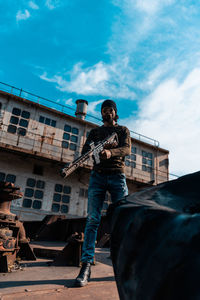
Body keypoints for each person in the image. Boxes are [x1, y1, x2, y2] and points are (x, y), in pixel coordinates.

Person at [75, 99, 131, 287]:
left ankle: (123, 262)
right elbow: (85, 150)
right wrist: (91, 151)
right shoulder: (95, 132)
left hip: (117, 176)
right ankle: (86, 265)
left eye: (110, 110)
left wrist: (110, 152)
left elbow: (127, 149)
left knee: (121, 219)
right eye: (104, 110)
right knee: (92, 219)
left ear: (115, 113)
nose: (107, 113)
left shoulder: (122, 130)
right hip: (97, 176)